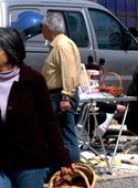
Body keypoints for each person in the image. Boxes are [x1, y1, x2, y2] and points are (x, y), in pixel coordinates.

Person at [0, 27, 74, 188]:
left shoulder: (33, 81)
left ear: (10, 51)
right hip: (1, 165)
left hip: (30, 162)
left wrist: (63, 158)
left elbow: (49, 123)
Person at [41, 12, 81, 166]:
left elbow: (69, 72)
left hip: (61, 95)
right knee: (57, 133)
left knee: (66, 133)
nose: (42, 30)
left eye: (43, 26)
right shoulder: (57, 44)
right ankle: (59, 168)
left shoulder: (62, 45)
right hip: (56, 94)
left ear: (48, 27)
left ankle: (73, 171)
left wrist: (66, 97)